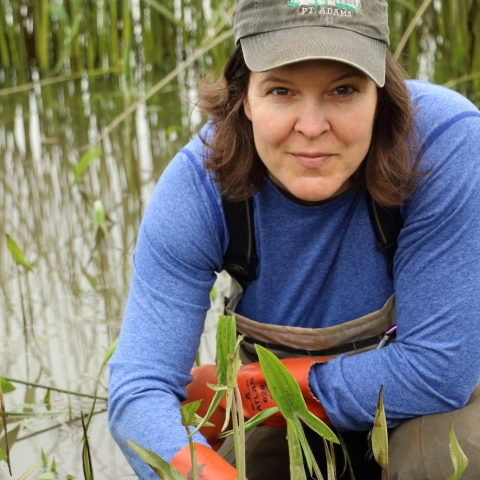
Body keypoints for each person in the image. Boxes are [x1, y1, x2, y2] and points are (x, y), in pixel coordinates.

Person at [108, 0, 480, 478]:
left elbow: (440, 373)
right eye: (281, 91)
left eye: (343, 90)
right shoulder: (197, 188)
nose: (311, 128)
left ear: (381, 92)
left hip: (436, 404)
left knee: (445, 462)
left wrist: (258, 385)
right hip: (290, 419)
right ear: (243, 97)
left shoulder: (445, 143)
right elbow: (138, 393)